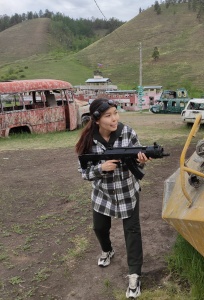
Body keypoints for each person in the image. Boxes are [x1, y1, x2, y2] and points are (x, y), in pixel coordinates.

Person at [75, 98, 149, 299]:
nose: (114, 118)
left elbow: (139, 163)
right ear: (97, 119)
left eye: (116, 113)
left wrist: (141, 161)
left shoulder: (128, 133)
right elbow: (84, 172)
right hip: (103, 194)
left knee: (132, 232)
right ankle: (107, 250)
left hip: (127, 192)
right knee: (99, 228)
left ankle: (134, 275)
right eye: (108, 116)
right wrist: (101, 168)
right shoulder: (88, 140)